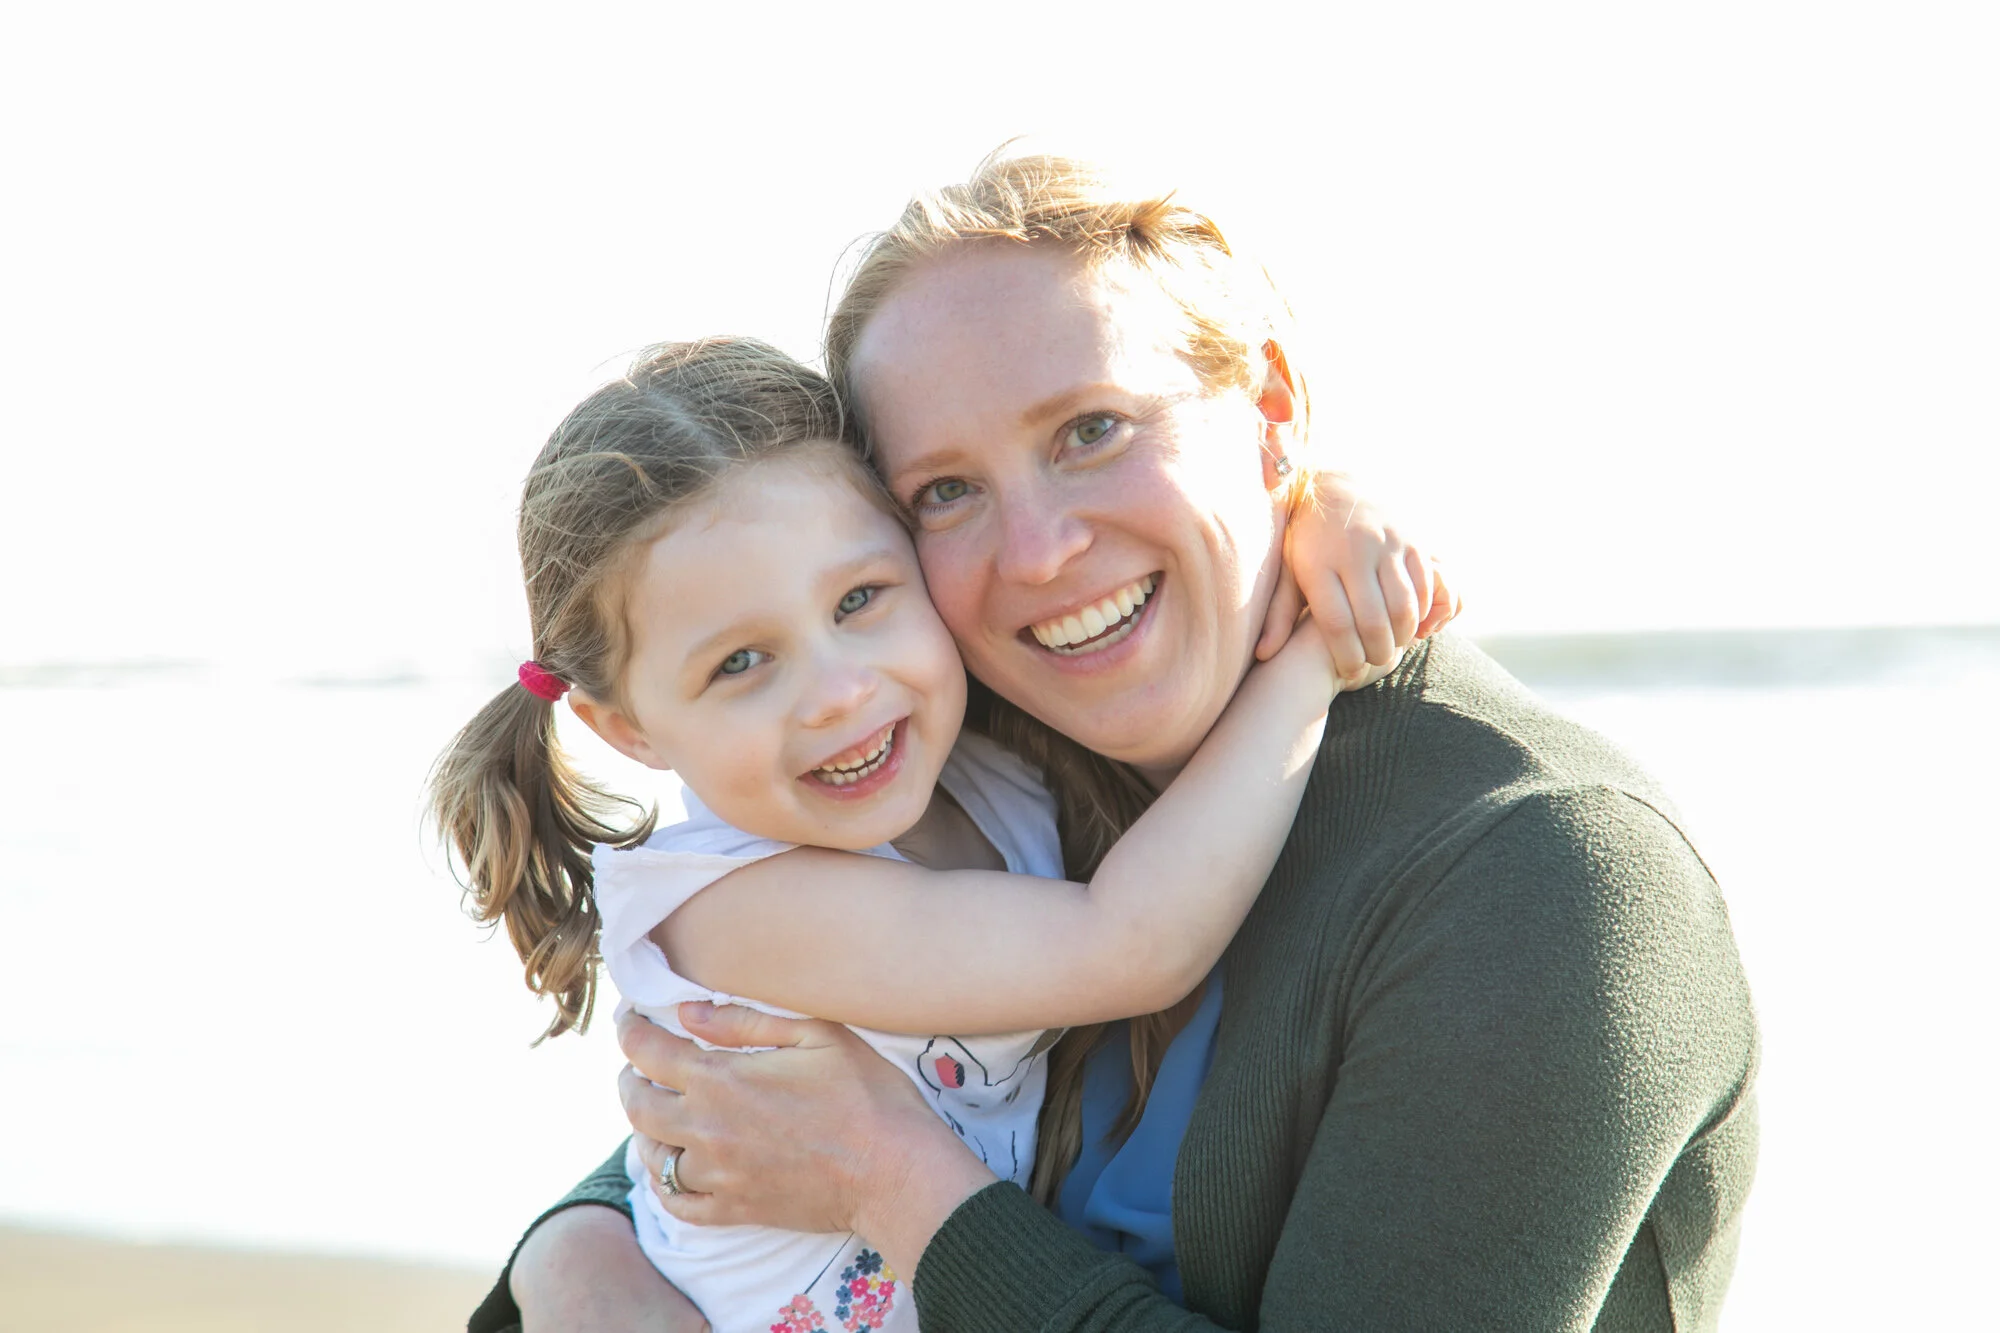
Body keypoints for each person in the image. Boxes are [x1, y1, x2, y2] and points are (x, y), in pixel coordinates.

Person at [481, 153, 1758, 1333]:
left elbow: (865, 1122)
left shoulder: (1542, 880)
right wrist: (579, 1251)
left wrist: (896, 1187)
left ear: (1271, 412)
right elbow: (774, 1085)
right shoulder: (1031, 754)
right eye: (946, 491)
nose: (1036, 552)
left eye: (1091, 430)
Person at [435, 337, 1455, 1333]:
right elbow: (1134, 944)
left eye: (861, 598)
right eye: (741, 663)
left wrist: (1315, 505)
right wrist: (1322, 647)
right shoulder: (730, 905)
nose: (839, 691)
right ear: (629, 729)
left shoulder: (984, 764)